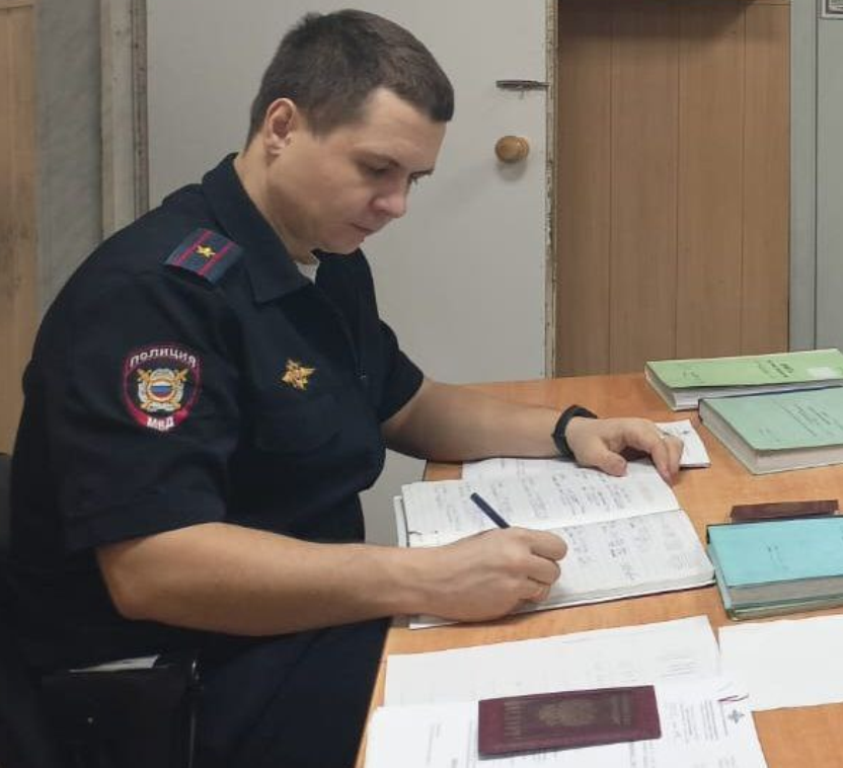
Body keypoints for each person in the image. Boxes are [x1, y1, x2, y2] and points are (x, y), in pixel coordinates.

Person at [7, 9, 683, 768]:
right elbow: (153, 570)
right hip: (177, 679)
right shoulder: (153, 297)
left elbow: (407, 403)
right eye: (375, 169)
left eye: (412, 180)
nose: (396, 204)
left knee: (590, 650)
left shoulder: (319, 255)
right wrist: (426, 578)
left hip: (306, 619)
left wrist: (569, 429)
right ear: (282, 127)